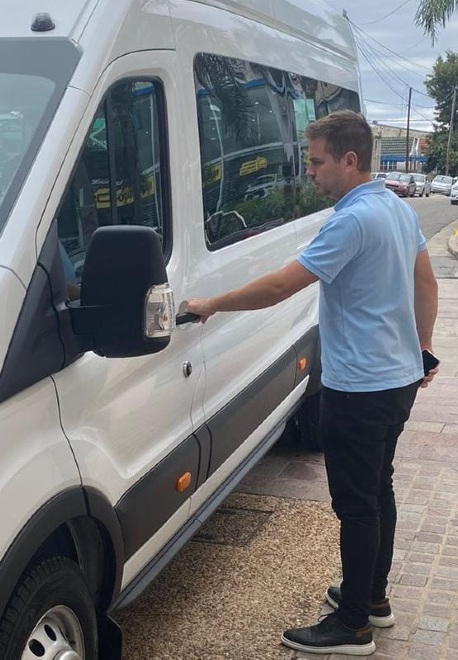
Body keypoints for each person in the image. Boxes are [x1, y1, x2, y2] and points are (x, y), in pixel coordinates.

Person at [184, 109, 439, 656]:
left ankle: (352, 627)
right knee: (378, 489)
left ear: (349, 160)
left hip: (359, 387)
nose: (310, 172)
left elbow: (281, 286)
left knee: (357, 505)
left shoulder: (350, 221)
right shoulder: (397, 209)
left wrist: (211, 303)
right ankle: (372, 598)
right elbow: (426, 283)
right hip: (396, 379)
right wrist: (422, 348)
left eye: (317, 162)